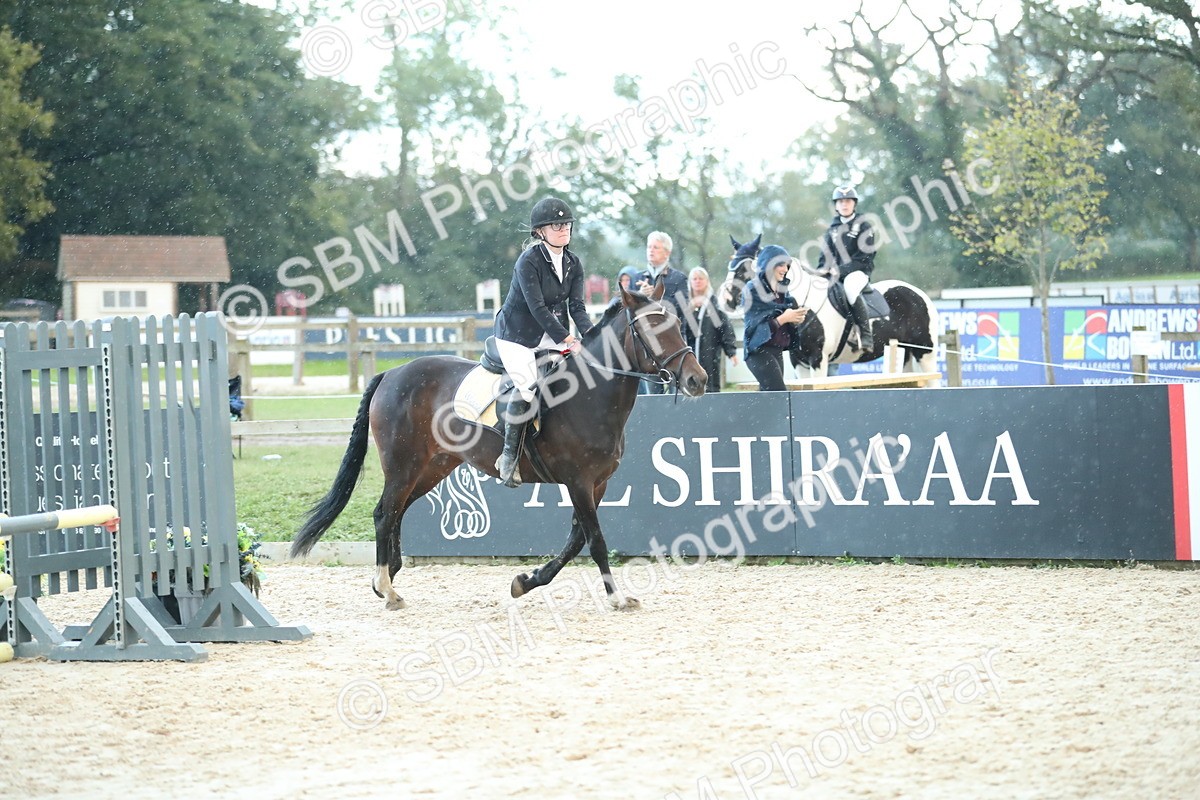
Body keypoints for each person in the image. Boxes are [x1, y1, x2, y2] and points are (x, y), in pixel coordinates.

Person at [492, 196, 594, 487]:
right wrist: (568, 339)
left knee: (577, 376)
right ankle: (508, 458)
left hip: (550, 333)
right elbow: (537, 308)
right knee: (528, 387)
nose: (564, 229)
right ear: (540, 231)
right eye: (556, 225)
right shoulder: (529, 261)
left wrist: (593, 337)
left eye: (567, 224)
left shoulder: (573, 263)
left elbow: (577, 308)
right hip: (517, 335)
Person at [817, 185, 877, 352]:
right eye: (841, 202)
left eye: (848, 201)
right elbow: (825, 255)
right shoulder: (832, 228)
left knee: (850, 288)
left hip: (858, 272)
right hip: (835, 274)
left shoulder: (864, 226)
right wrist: (821, 269)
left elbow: (864, 258)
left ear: (854, 204)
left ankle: (866, 336)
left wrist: (840, 270)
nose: (844, 204)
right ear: (836, 205)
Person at [742, 245, 808, 392]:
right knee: (778, 395)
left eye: (787, 265)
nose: (785, 269)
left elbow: (781, 320)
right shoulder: (752, 289)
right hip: (758, 352)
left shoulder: (782, 291)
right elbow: (754, 328)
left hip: (776, 350)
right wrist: (784, 318)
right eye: (781, 264)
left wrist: (795, 319)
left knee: (769, 399)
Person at [635, 231, 688, 394]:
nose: (651, 250)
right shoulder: (636, 278)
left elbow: (683, 309)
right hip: (648, 347)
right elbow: (626, 311)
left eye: (656, 247)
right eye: (649, 247)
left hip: (673, 344)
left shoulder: (679, 279)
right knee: (652, 396)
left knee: (676, 394)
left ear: (667, 253)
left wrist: (656, 299)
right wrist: (639, 296)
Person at [684, 267, 738, 393]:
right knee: (688, 386)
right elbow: (679, 329)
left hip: (709, 352)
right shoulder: (684, 303)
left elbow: (725, 328)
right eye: (694, 279)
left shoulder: (714, 303)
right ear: (690, 282)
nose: (697, 281)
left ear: (707, 281)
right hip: (689, 353)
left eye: (701, 278)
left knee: (710, 385)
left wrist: (731, 351)